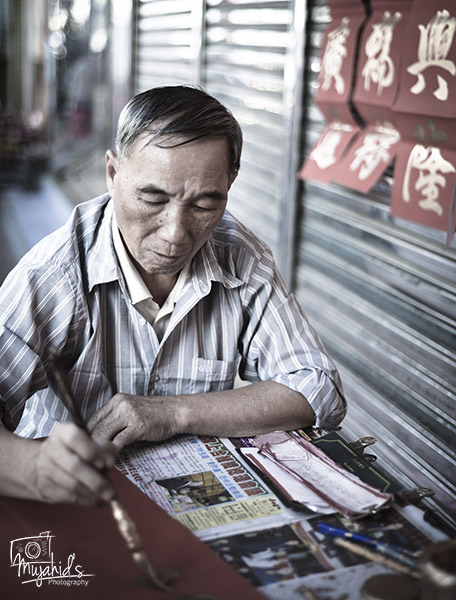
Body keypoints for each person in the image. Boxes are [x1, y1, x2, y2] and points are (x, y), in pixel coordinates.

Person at [0, 85, 346, 508]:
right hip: (68, 504)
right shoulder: (55, 273)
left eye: (204, 205)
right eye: (152, 198)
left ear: (228, 185)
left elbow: (318, 389)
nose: (175, 233)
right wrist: (35, 468)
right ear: (113, 174)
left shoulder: (241, 259)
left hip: (189, 496)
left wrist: (172, 412)